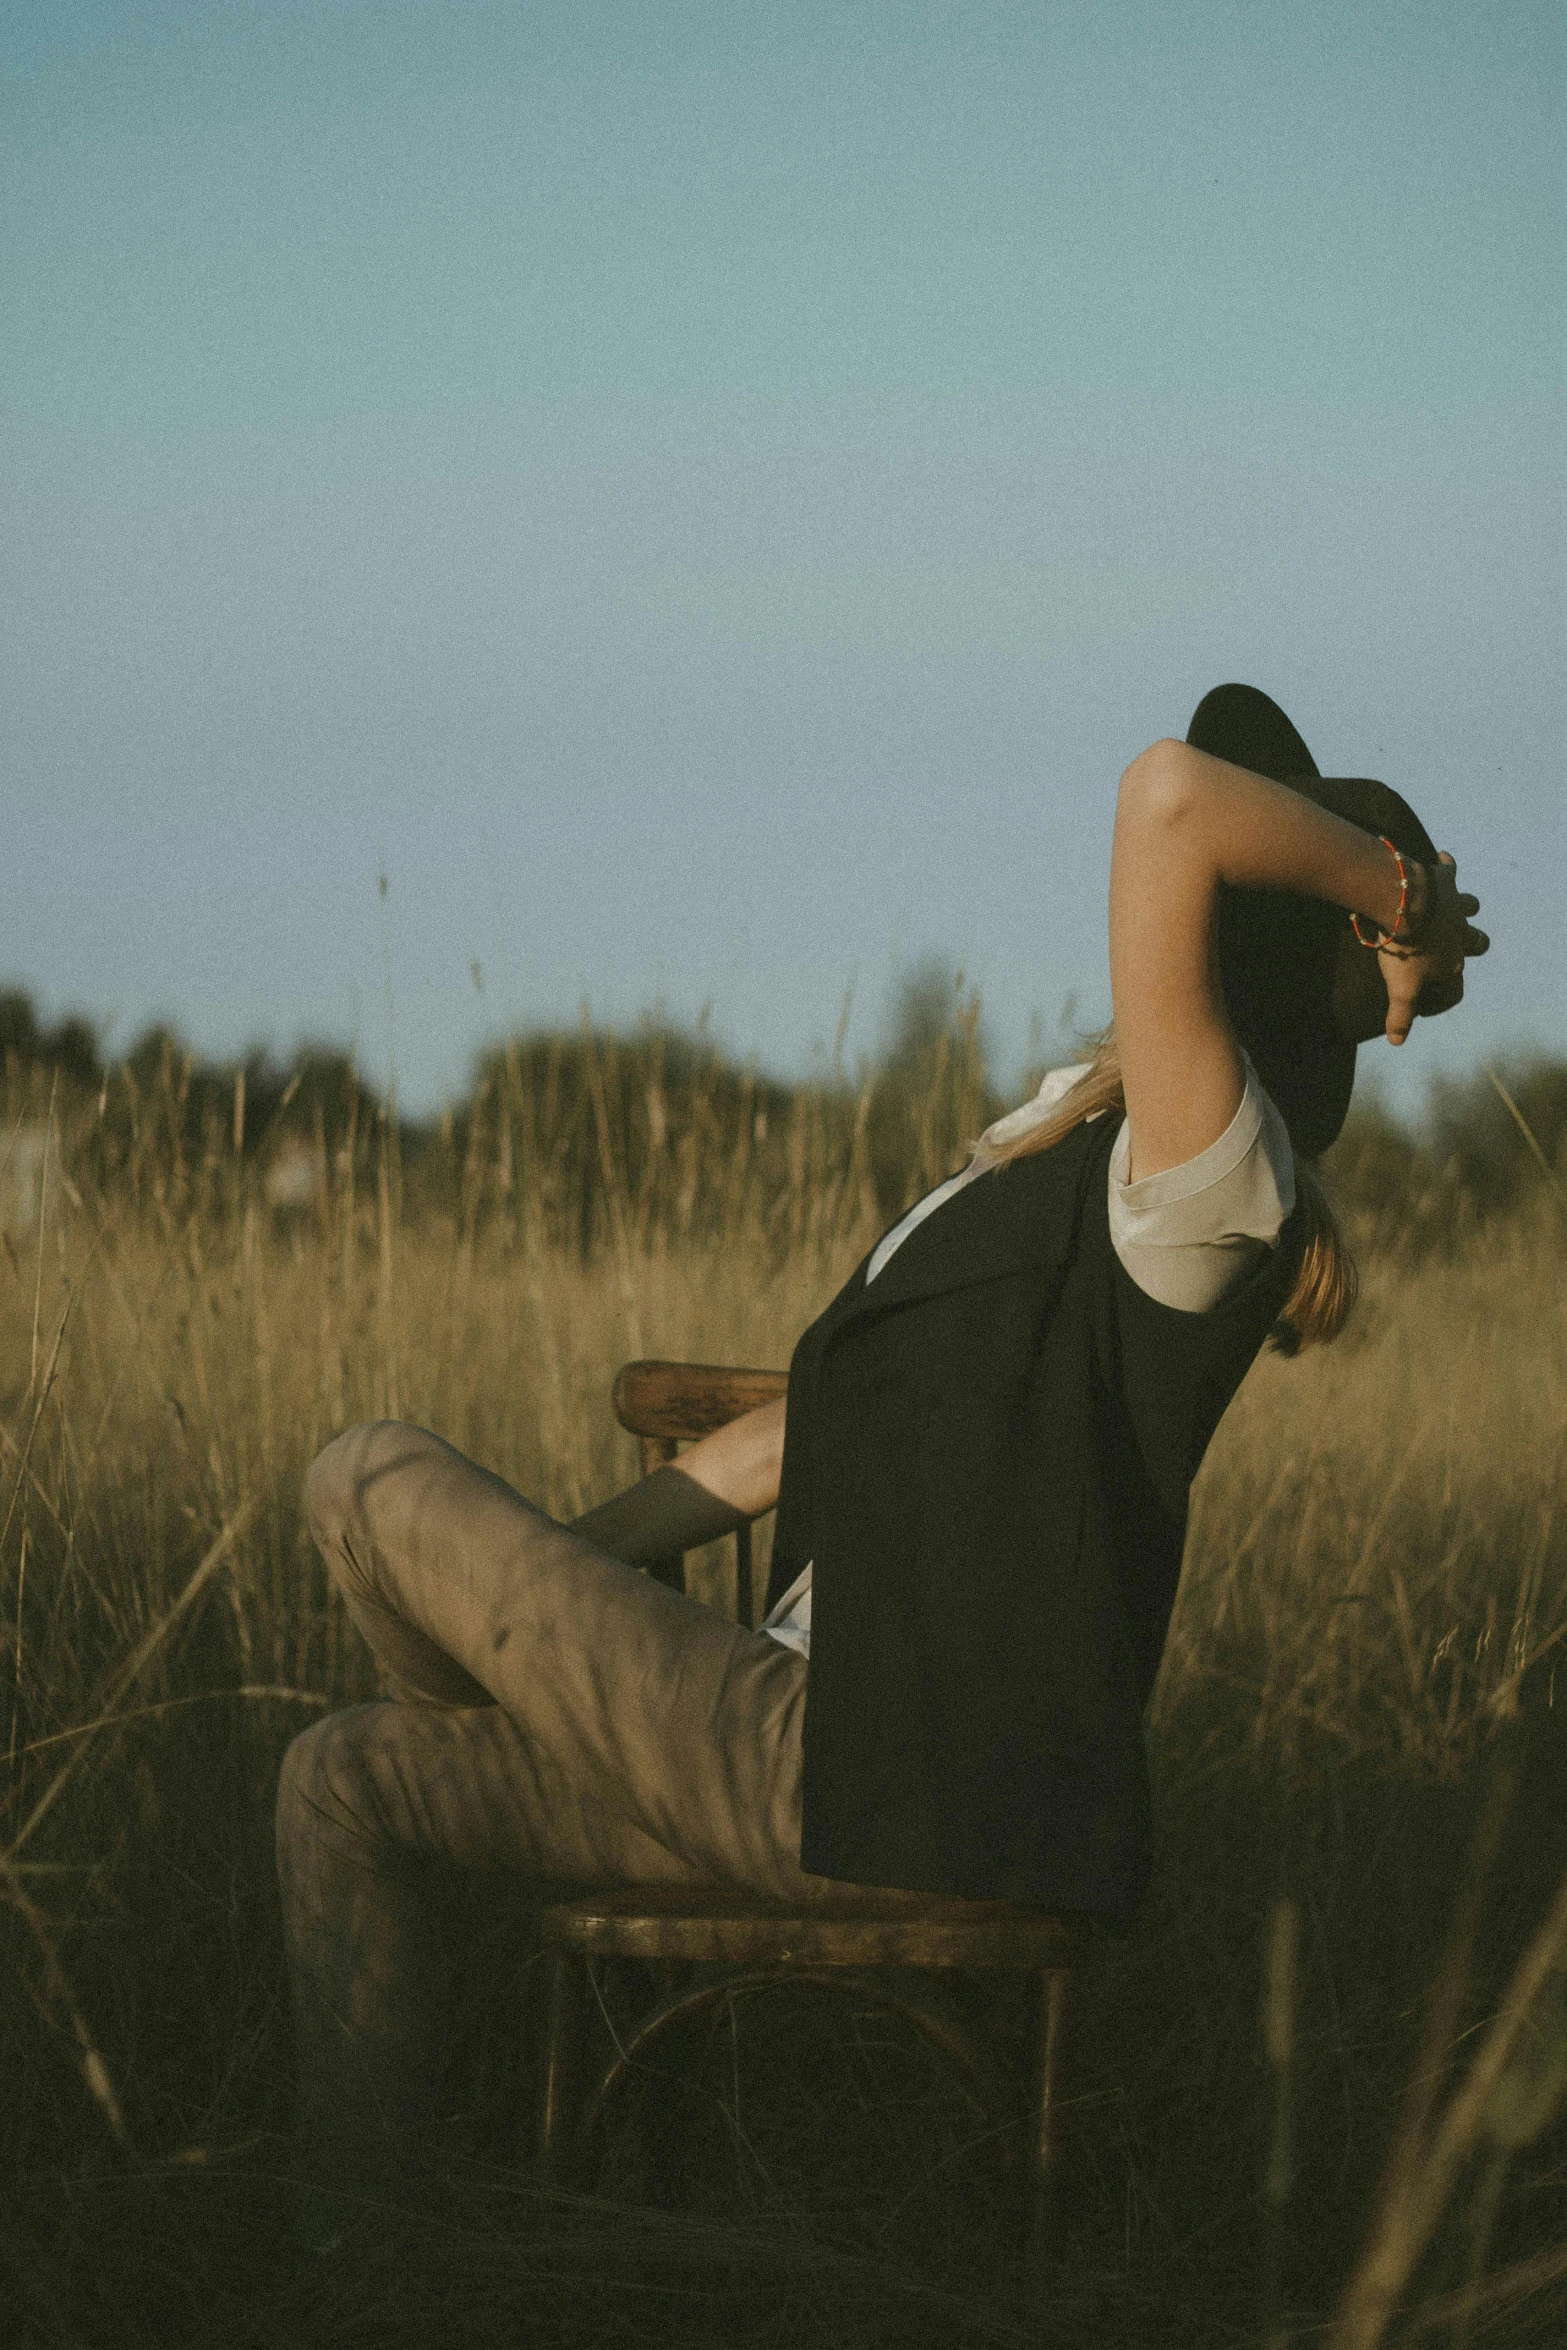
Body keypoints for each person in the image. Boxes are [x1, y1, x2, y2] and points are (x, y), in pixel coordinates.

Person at [276, 682, 1487, 2212]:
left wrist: (1402, 907)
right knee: (341, 1774)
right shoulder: (1076, 1159)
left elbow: (1166, 796)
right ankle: (356, 2237)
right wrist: (551, 1595)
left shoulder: (1208, 1188)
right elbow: (798, 1440)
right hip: (791, 1750)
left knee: (364, 1473)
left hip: (870, 1772)